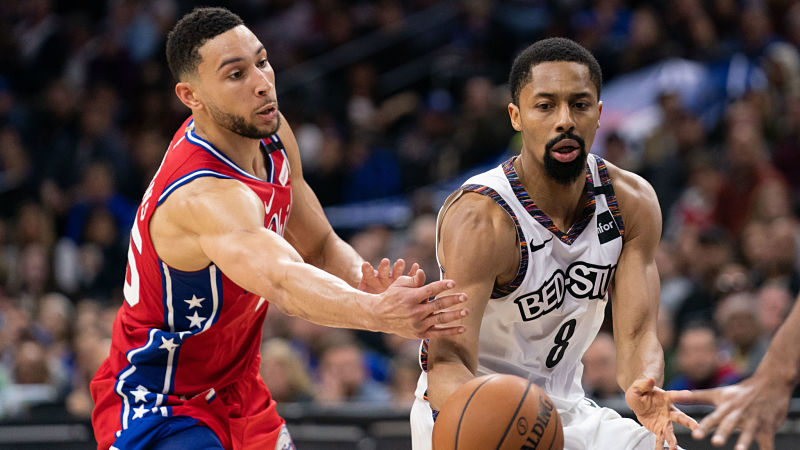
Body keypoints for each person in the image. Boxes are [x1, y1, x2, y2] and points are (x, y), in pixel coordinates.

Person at [89, 7, 469, 450]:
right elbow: (283, 282)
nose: (262, 82)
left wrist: (371, 287)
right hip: (160, 400)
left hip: (239, 388)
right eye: (235, 74)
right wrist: (377, 315)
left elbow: (320, 244)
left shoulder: (270, 132)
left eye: (262, 61)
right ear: (191, 96)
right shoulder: (204, 195)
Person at [410, 37, 698, 450]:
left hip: (565, 409)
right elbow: (448, 360)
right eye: (545, 106)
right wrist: (488, 423)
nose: (565, 120)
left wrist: (644, 383)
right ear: (517, 116)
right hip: (471, 406)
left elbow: (636, 335)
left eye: (579, 105)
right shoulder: (482, 217)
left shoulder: (630, 202)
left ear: (598, 115)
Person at [669, 294, 800, 450]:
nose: (699, 359)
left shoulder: (739, 384)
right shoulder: (672, 390)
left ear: (718, 352)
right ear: (679, 357)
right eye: (692, 351)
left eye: (704, 350)